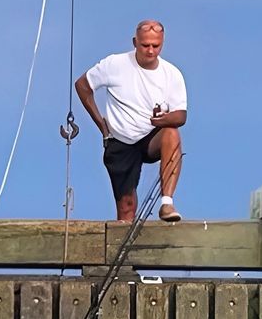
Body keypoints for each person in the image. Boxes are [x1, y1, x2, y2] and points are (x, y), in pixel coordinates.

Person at [74, 20, 187, 223]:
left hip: (151, 135)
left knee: (172, 132)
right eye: (145, 45)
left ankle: (167, 203)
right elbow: (82, 85)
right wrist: (101, 124)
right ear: (135, 42)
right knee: (126, 207)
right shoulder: (114, 64)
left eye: (156, 46)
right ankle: (123, 247)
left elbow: (180, 116)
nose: (150, 51)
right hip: (120, 139)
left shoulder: (172, 74)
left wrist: (162, 119)